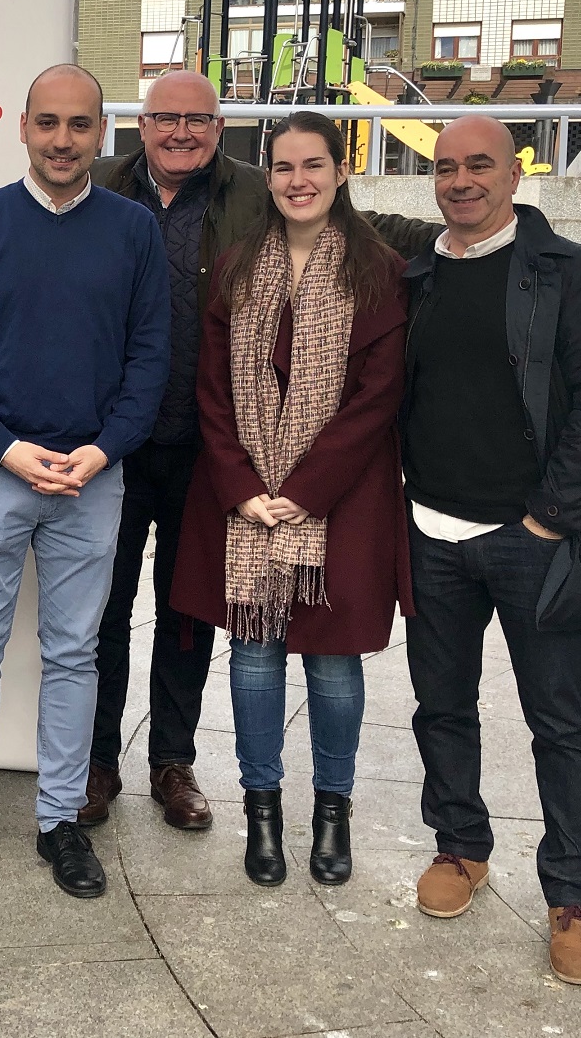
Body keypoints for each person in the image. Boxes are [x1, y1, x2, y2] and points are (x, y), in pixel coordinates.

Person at [84, 72, 439, 829]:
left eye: (198, 118)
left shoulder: (251, 190)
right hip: (116, 443)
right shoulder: (100, 188)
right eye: (165, 117)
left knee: (187, 621)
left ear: (221, 128)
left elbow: (354, 227)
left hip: (208, 458)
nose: (181, 131)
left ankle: (171, 762)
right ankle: (96, 761)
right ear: (139, 125)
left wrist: (468, 228)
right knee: (102, 611)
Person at [0, 64, 170, 899]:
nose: (63, 140)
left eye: (79, 125)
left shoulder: (132, 230)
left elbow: (149, 356)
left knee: (74, 654)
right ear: (21, 127)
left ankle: (60, 819)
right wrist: (2, 445)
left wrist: (103, 450)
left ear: (102, 133)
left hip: (92, 478)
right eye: (47, 123)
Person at [401, 116, 581, 986]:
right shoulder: (419, 273)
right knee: (440, 705)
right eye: (446, 167)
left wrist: (545, 517)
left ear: (513, 175)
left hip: (531, 540)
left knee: (561, 721)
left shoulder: (570, 272)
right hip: (430, 531)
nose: (461, 180)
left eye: (479, 166)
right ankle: (459, 846)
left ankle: (573, 893)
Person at [169, 111, 410, 888]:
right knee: (252, 655)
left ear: (340, 171)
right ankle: (261, 809)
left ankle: (332, 811)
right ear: (265, 176)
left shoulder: (375, 268)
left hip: (341, 502)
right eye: (281, 167)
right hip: (242, 503)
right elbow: (212, 389)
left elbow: (376, 400)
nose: (296, 180)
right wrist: (242, 487)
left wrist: (301, 492)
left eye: (312, 165)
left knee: (334, 667)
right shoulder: (239, 267)